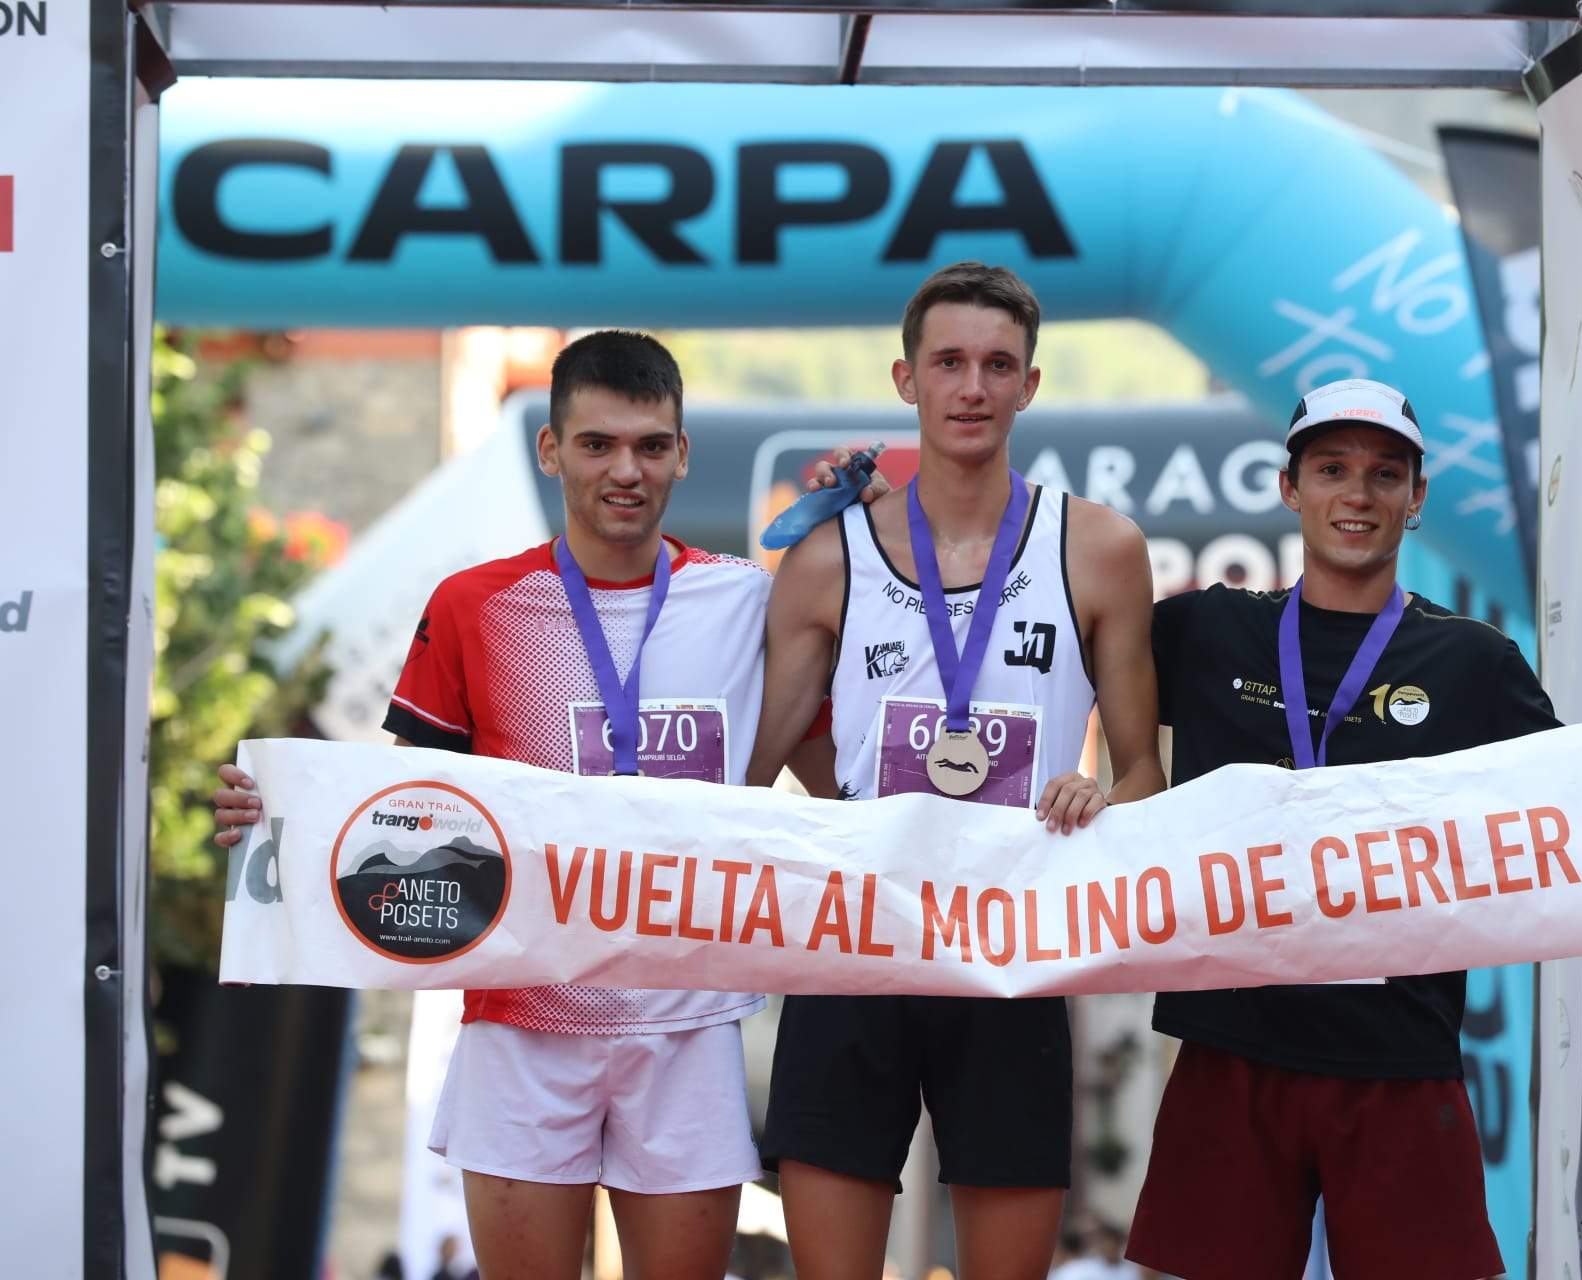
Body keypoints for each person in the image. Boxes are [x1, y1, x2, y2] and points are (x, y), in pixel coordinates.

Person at [1123, 377, 1582, 1280]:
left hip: (1397, 1055)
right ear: (1289, 486)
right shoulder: (1207, 629)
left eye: (1386, 475)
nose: (1358, 494)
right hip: (1231, 1050)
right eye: (1333, 469)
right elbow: (1053, 655)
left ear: (1417, 499)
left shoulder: (1471, 661)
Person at [212, 331, 871, 1280]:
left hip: (684, 1026)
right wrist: (271, 817)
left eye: (650, 445)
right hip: (523, 1024)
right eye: (598, 444)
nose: (626, 471)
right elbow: (408, 811)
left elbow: (840, 781)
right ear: (551, 450)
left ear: (683, 453)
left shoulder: (742, 604)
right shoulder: (478, 605)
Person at [743, 261, 1165, 1280]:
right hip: (856, 947)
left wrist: (1099, 797)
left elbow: (1146, 770)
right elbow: (746, 768)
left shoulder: (1100, 548)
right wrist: (852, 801)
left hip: (1010, 957)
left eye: (996, 364)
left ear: (1029, 384)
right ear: (906, 379)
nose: (971, 387)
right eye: (949, 363)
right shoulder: (828, 559)